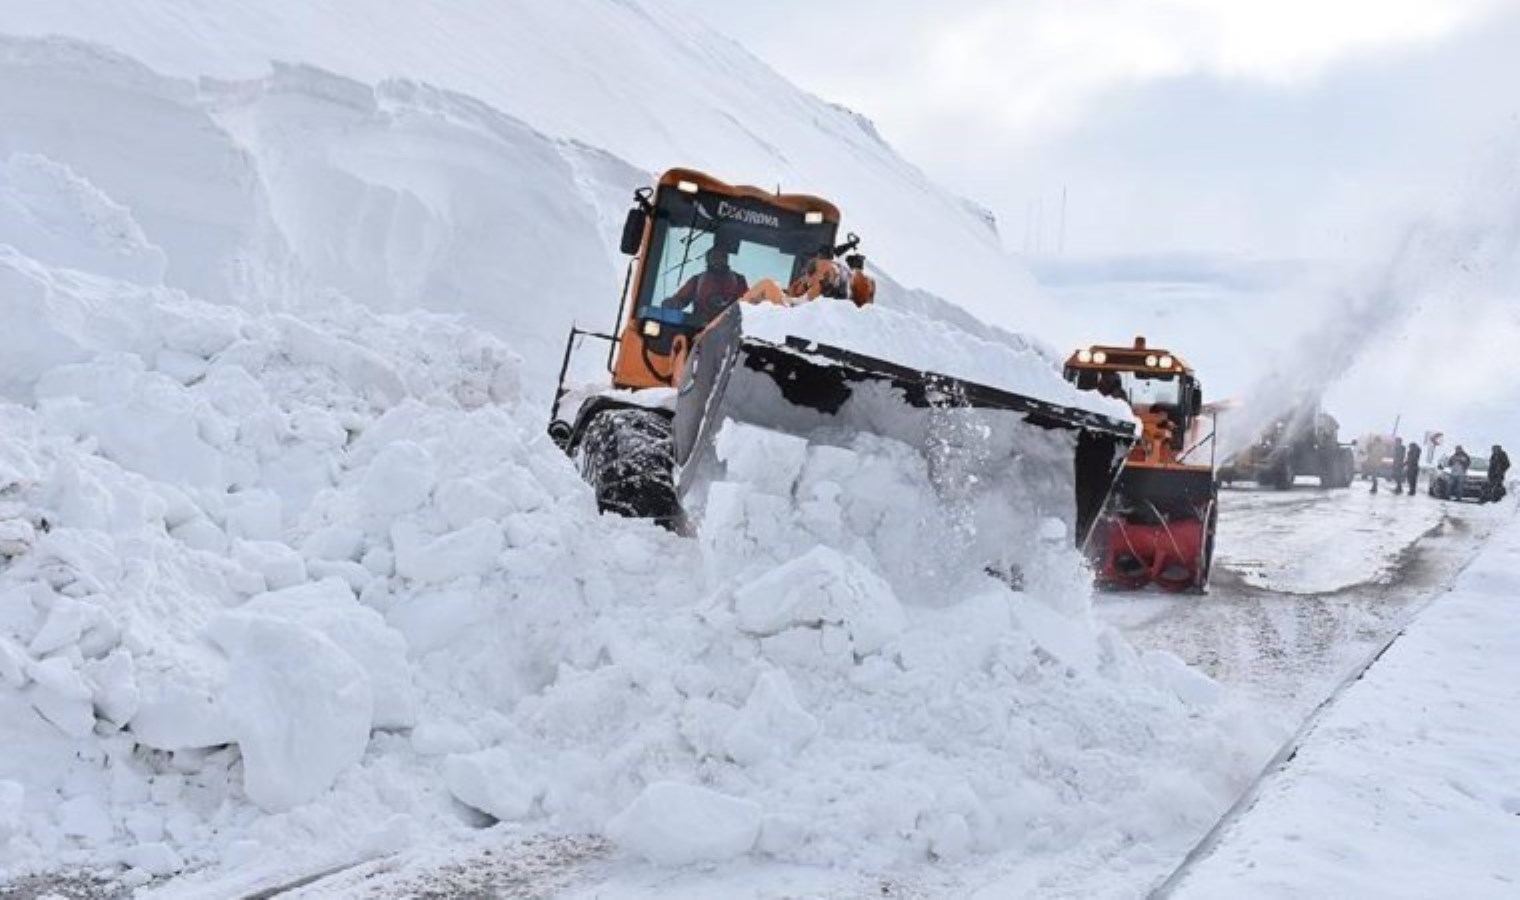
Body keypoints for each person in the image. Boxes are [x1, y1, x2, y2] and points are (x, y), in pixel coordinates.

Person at [662, 245, 749, 324]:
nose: (718, 260)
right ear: (708, 260)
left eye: (721, 257)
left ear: (726, 259)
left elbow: (747, 303)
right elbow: (680, 300)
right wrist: (671, 304)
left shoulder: (738, 281)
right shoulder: (697, 281)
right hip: (700, 328)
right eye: (714, 257)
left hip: (729, 330)